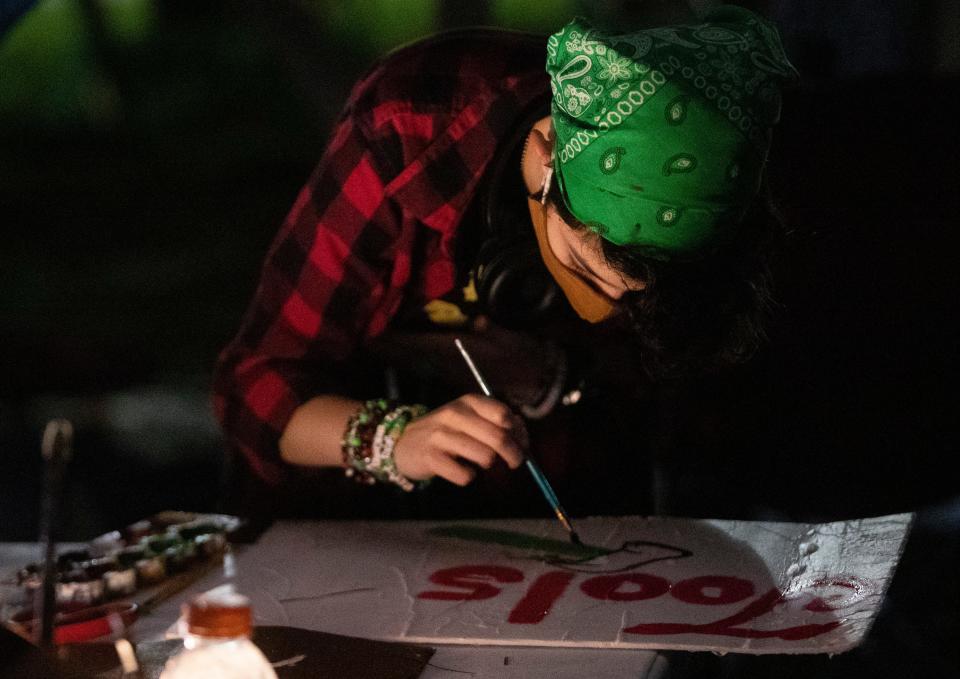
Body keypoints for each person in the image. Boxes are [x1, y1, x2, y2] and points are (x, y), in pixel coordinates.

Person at [212, 6, 797, 519]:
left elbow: (694, 407)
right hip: (348, 535)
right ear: (545, 158)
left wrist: (565, 378)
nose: (605, 311)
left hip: (569, 513)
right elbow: (252, 393)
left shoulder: (719, 199)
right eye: (587, 271)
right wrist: (396, 441)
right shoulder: (409, 126)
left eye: (632, 298)